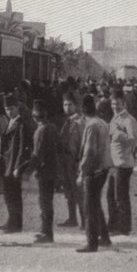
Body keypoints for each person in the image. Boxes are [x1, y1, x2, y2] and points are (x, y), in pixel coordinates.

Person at [77, 94, 112, 252]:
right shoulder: (102, 122)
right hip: (103, 168)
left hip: (94, 170)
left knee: (89, 206)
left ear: (83, 110)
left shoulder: (91, 125)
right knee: (96, 203)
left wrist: (82, 173)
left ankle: (92, 243)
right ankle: (104, 237)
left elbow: (89, 152)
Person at [28, 99, 61, 243]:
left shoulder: (40, 131)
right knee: (47, 202)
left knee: (44, 202)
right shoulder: (53, 127)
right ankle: (45, 231)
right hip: (53, 169)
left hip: (44, 171)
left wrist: (27, 171)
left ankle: (47, 234)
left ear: (34, 116)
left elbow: (37, 154)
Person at [0, 93, 33, 232]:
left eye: (11, 108)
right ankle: (11, 220)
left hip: (13, 164)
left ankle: (16, 224)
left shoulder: (21, 124)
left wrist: (18, 166)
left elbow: (23, 148)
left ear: (17, 108)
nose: (9, 111)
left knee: (14, 195)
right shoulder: (9, 122)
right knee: (8, 194)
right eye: (7, 109)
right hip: (6, 163)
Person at [106, 87, 137, 235]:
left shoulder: (128, 120)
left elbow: (134, 141)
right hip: (114, 163)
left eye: (117, 104)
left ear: (124, 103)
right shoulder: (116, 117)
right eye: (113, 104)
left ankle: (124, 227)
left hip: (123, 164)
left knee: (121, 197)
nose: (115, 106)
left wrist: (119, 134)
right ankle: (113, 225)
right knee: (110, 196)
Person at [59, 94, 84, 228]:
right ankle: (72, 218)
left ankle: (85, 221)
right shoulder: (66, 122)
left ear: (76, 106)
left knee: (79, 192)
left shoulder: (80, 123)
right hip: (65, 160)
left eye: (69, 105)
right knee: (68, 190)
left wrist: (80, 162)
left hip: (75, 161)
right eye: (65, 105)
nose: (67, 108)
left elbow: (83, 144)